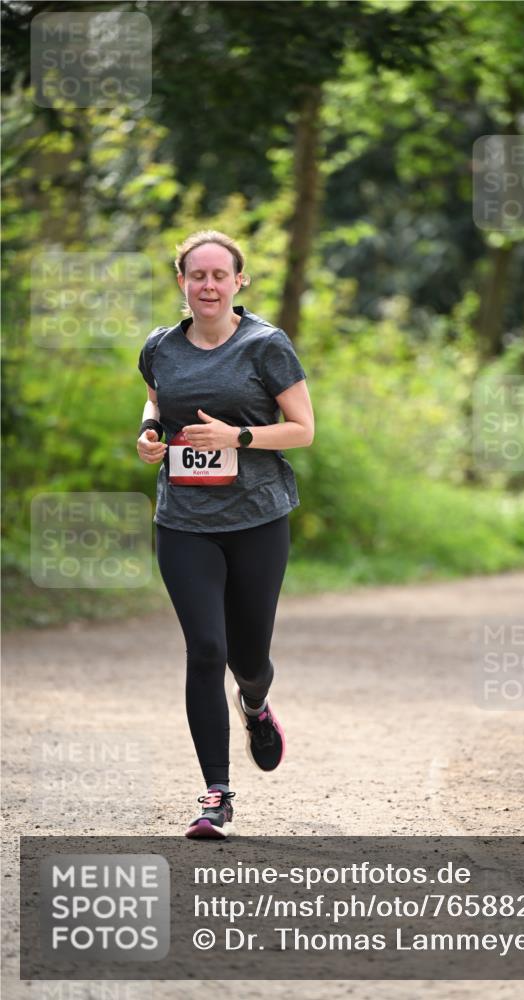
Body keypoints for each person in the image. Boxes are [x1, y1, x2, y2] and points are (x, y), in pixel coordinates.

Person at [136, 230, 314, 838]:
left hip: (257, 519)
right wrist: (149, 433)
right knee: (206, 650)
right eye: (197, 275)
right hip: (184, 522)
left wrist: (237, 437)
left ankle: (256, 704)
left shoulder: (266, 345)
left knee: (248, 658)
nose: (207, 286)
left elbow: (302, 429)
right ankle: (216, 795)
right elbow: (155, 402)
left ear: (239, 281)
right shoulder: (160, 346)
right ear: (181, 282)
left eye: (219, 275)